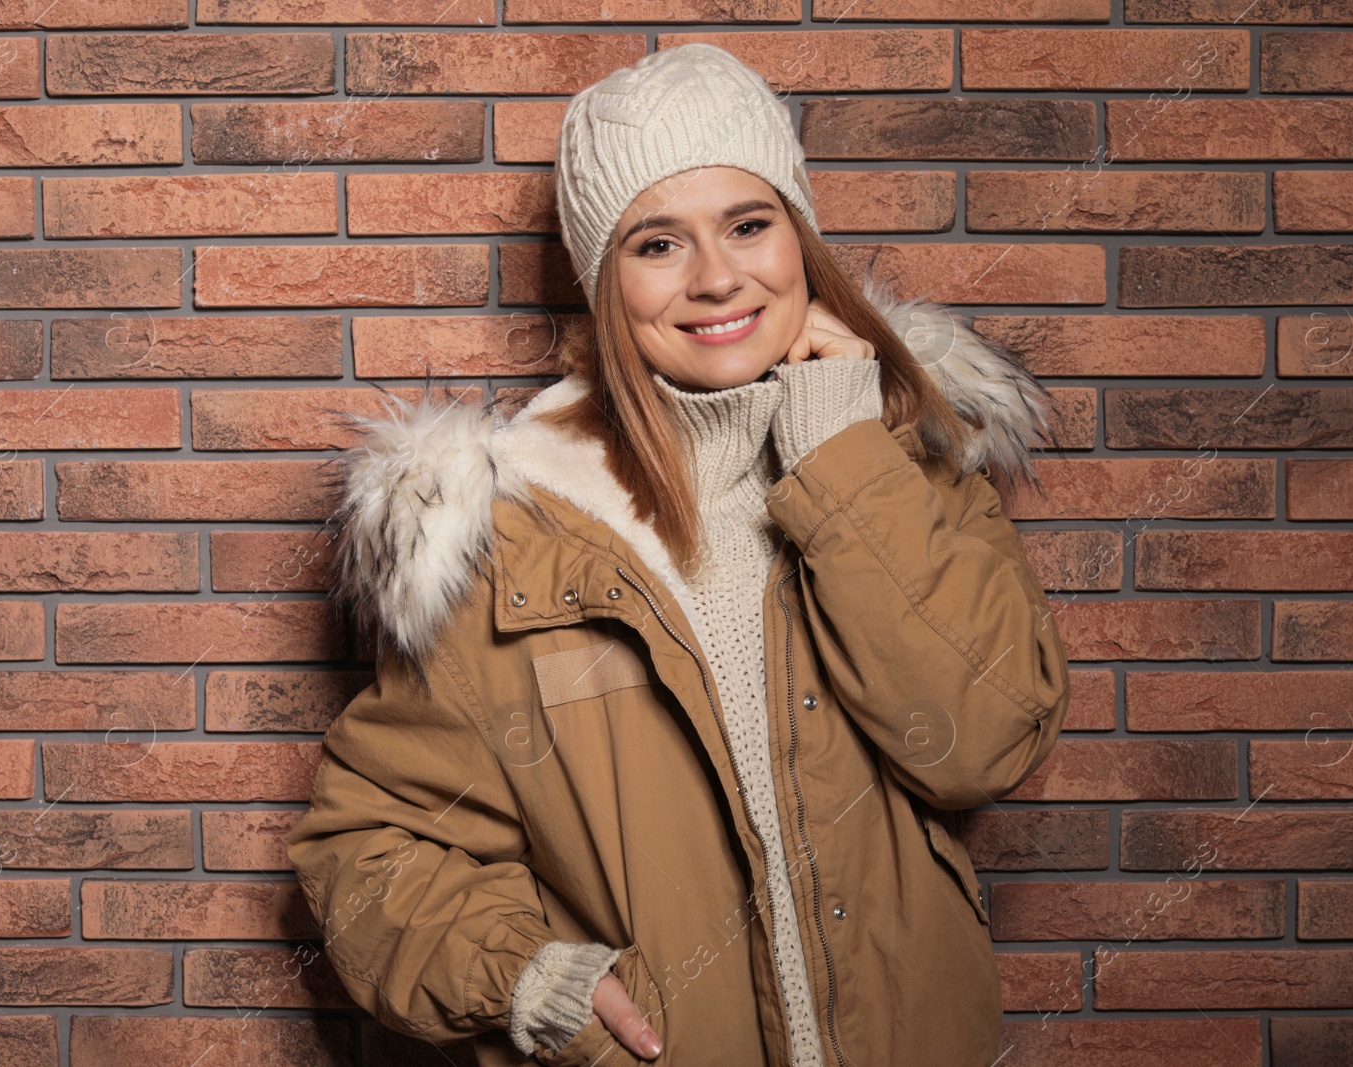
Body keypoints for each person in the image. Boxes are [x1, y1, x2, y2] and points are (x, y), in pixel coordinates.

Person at [287, 41, 1070, 1067]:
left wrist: (839, 454)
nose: (715, 278)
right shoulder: (512, 535)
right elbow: (372, 845)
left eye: (748, 224)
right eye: (657, 244)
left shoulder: (910, 464)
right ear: (603, 279)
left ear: (800, 237)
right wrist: (528, 975)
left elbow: (981, 742)